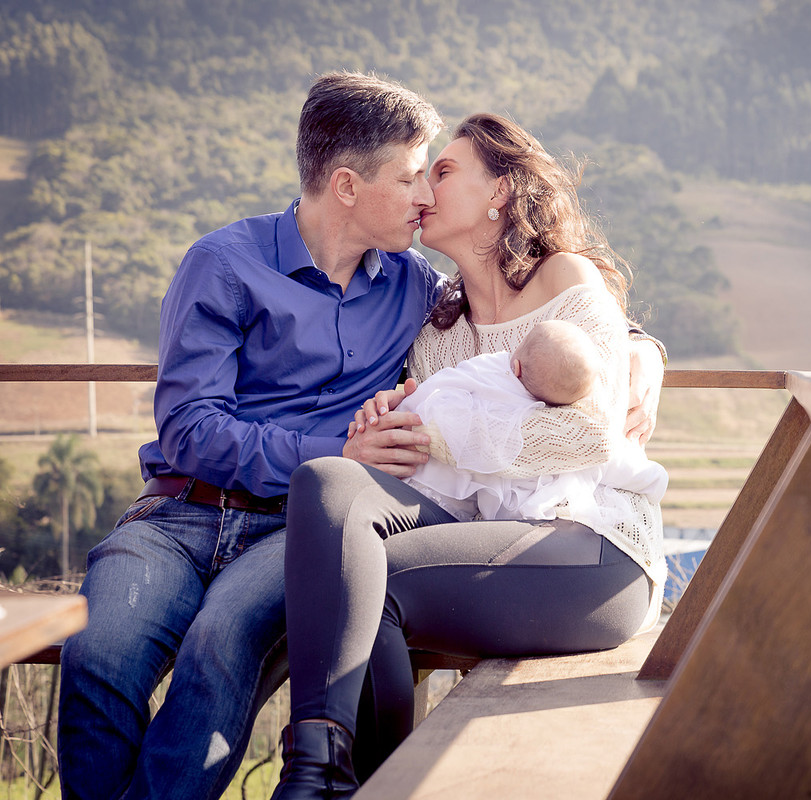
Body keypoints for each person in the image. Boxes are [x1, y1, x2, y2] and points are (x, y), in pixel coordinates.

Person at [57, 72, 665, 800]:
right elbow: (189, 428)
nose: (425, 195)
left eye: (437, 173)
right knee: (97, 652)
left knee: (223, 645)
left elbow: (556, 345)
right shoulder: (250, 271)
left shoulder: (412, 289)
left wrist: (641, 348)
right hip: (179, 511)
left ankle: (320, 776)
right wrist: (343, 449)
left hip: (304, 528)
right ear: (347, 186)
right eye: (415, 175)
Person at [271, 112, 667, 797]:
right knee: (327, 485)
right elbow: (433, 458)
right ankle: (321, 768)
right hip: (485, 536)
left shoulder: (566, 282)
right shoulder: (438, 331)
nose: (422, 189)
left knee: (372, 582)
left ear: (501, 193)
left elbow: (590, 435)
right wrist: (382, 438)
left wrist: (443, 434)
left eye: (443, 172)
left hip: (594, 553)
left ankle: (346, 782)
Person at [395, 318, 668, 524]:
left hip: (425, 482)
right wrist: (654, 480)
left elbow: (447, 382)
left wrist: (411, 408)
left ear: (515, 365)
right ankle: (655, 479)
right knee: (585, 471)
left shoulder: (489, 367)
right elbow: (614, 458)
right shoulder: (550, 423)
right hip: (502, 508)